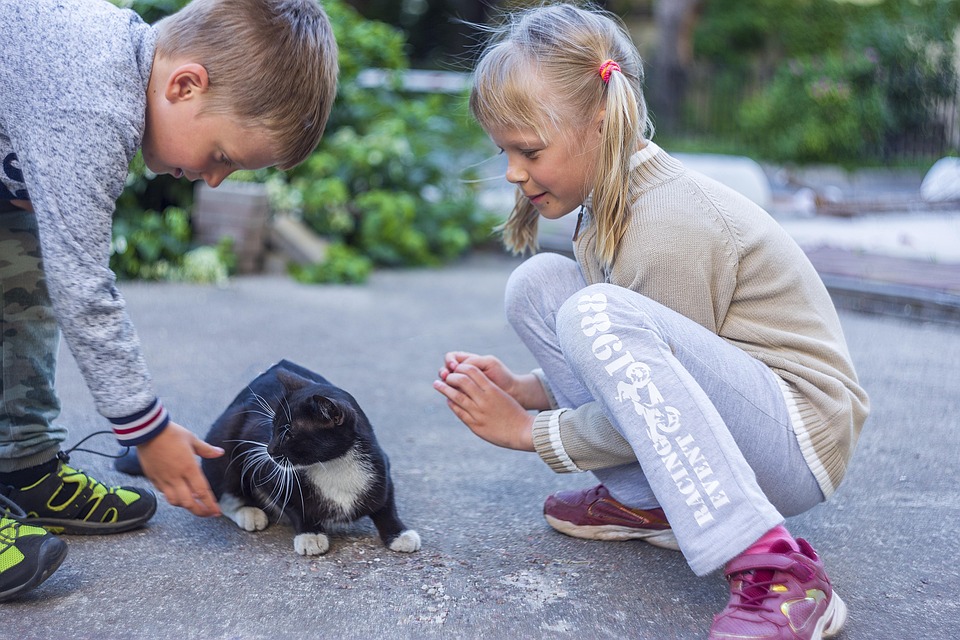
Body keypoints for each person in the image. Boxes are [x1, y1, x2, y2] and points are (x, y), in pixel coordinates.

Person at [433, 3, 868, 638]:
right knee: (539, 285)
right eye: (503, 151)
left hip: (796, 439)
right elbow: (645, 374)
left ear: (602, 124)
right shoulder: (611, 200)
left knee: (593, 311)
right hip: (740, 416)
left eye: (528, 149)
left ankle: (780, 572)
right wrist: (535, 388)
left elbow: (660, 401)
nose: (511, 171)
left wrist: (532, 429)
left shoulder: (668, 222)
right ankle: (648, 506)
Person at [0, 0, 338, 601]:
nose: (213, 180)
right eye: (222, 157)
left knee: (22, 278)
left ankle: (20, 464)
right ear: (185, 85)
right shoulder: (94, 103)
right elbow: (84, 284)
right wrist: (146, 430)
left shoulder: (120, 75)